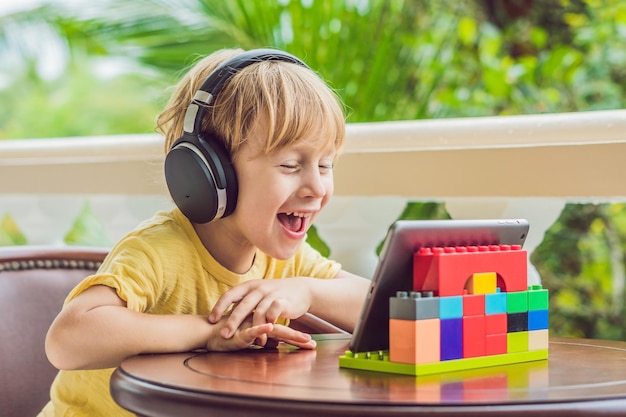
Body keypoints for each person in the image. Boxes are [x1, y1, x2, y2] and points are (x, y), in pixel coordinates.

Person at [38, 47, 370, 417]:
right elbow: (67, 341)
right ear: (211, 172)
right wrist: (210, 332)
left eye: (325, 165)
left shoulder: (281, 262)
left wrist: (308, 290)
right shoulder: (158, 249)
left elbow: (383, 306)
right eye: (291, 165)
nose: (317, 187)